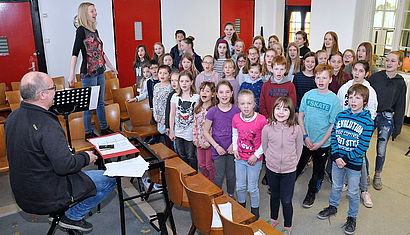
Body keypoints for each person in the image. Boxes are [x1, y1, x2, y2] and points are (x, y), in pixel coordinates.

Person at [6, 71, 116, 232]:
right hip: (47, 194)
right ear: (43, 94)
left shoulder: (12, 117)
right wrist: (86, 157)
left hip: (24, 193)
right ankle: (72, 216)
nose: (57, 92)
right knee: (110, 180)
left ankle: (65, 211)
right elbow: (65, 166)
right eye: (54, 88)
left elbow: (34, 153)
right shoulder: (47, 123)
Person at [317, 84, 374, 235]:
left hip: (354, 163)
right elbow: (334, 136)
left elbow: (363, 146)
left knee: (353, 192)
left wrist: (346, 159)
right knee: (336, 186)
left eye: (358, 97)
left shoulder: (368, 122)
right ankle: (332, 206)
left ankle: (352, 217)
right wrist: (336, 156)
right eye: (351, 97)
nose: (353, 100)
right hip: (337, 160)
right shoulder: (341, 115)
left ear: (365, 101)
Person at [68, 2, 117, 139]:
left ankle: (104, 128)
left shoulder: (95, 31)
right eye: (92, 11)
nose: (95, 13)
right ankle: (88, 133)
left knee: (100, 102)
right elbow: (75, 53)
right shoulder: (81, 30)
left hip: (100, 71)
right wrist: (71, 74)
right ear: (85, 14)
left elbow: (102, 52)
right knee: (88, 104)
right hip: (88, 73)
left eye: (95, 10)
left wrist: (111, 67)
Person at [296, 64, 341, 208]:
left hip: (322, 144)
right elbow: (300, 116)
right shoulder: (308, 95)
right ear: (314, 78)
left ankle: (311, 192)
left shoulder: (334, 100)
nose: (320, 80)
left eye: (324, 77)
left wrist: (321, 142)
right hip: (306, 141)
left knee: (318, 172)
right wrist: (305, 136)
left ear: (330, 79)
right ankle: (287, 185)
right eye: (318, 77)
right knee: (297, 166)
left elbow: (333, 124)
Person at [337, 60, 378, 208]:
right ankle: (346, 182)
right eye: (355, 70)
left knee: (360, 157)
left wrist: (361, 126)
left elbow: (372, 111)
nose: (357, 73)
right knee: (343, 154)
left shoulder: (369, 90)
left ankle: (364, 190)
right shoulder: (345, 88)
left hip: (359, 129)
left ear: (366, 74)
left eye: (361, 71)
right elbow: (340, 105)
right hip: (344, 128)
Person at [262, 97, 303, 235]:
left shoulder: (296, 129)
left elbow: (299, 148)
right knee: (274, 196)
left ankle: (288, 225)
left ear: (291, 112)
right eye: (278, 108)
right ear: (273, 110)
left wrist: (293, 163)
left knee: (286, 200)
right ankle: (274, 219)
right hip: (271, 169)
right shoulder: (267, 128)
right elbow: (265, 146)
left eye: (285, 109)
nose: (281, 112)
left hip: (289, 171)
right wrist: (270, 160)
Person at [369, 51, 407, 190]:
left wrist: (398, 127)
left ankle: (377, 174)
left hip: (387, 118)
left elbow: (401, 105)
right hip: (372, 115)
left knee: (381, 149)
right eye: (387, 60)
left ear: (399, 64)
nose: (389, 63)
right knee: (363, 145)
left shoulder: (400, 83)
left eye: (393, 61)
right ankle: (364, 173)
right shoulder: (376, 77)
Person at [233, 89, 267, 220]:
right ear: (238, 105)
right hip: (240, 158)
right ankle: (241, 207)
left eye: (249, 103)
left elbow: (265, 140)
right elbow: (235, 133)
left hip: (254, 160)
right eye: (242, 103)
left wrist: (257, 155)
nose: (246, 106)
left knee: (252, 188)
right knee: (240, 186)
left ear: (254, 104)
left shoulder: (261, 120)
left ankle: (255, 211)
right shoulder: (236, 118)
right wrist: (235, 149)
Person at [203, 81, 240, 198]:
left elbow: (240, 131)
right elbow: (205, 131)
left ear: (232, 93)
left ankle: (230, 195)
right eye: (221, 92)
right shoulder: (212, 111)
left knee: (231, 174)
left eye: (227, 92)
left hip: (232, 149)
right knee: (218, 175)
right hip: (217, 149)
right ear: (216, 94)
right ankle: (217, 196)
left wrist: (234, 145)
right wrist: (216, 146)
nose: (224, 95)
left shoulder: (236, 111)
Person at [169, 70, 200, 170]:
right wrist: (171, 130)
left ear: (191, 82)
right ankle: (185, 175)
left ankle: (193, 175)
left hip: (190, 133)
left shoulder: (196, 98)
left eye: (187, 81)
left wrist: (197, 134)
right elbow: (172, 114)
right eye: (182, 81)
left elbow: (198, 117)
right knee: (181, 155)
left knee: (190, 155)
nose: (184, 84)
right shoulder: (175, 97)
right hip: (178, 132)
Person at [193, 82, 217, 181]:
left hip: (209, 143)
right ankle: (206, 181)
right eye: (202, 90)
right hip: (199, 142)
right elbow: (194, 124)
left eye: (207, 91)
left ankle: (212, 184)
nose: (204, 93)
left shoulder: (214, 109)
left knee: (209, 165)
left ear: (213, 94)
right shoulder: (197, 108)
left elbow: (214, 128)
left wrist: (208, 143)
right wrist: (195, 139)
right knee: (202, 165)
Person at [259, 55, 297, 119]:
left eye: (281, 69)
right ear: (271, 69)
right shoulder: (266, 85)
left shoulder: (290, 86)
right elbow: (262, 105)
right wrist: (268, 118)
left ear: (285, 70)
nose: (279, 72)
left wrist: (285, 118)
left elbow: (292, 105)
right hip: (269, 120)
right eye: (276, 69)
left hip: (285, 119)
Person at [153, 65, 173, 142]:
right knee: (162, 134)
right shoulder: (156, 86)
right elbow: (154, 101)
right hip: (158, 116)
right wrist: (155, 115)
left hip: (166, 117)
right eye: (160, 73)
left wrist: (165, 119)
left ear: (169, 75)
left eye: (165, 73)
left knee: (169, 136)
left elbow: (169, 106)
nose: (162, 75)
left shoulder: (170, 87)